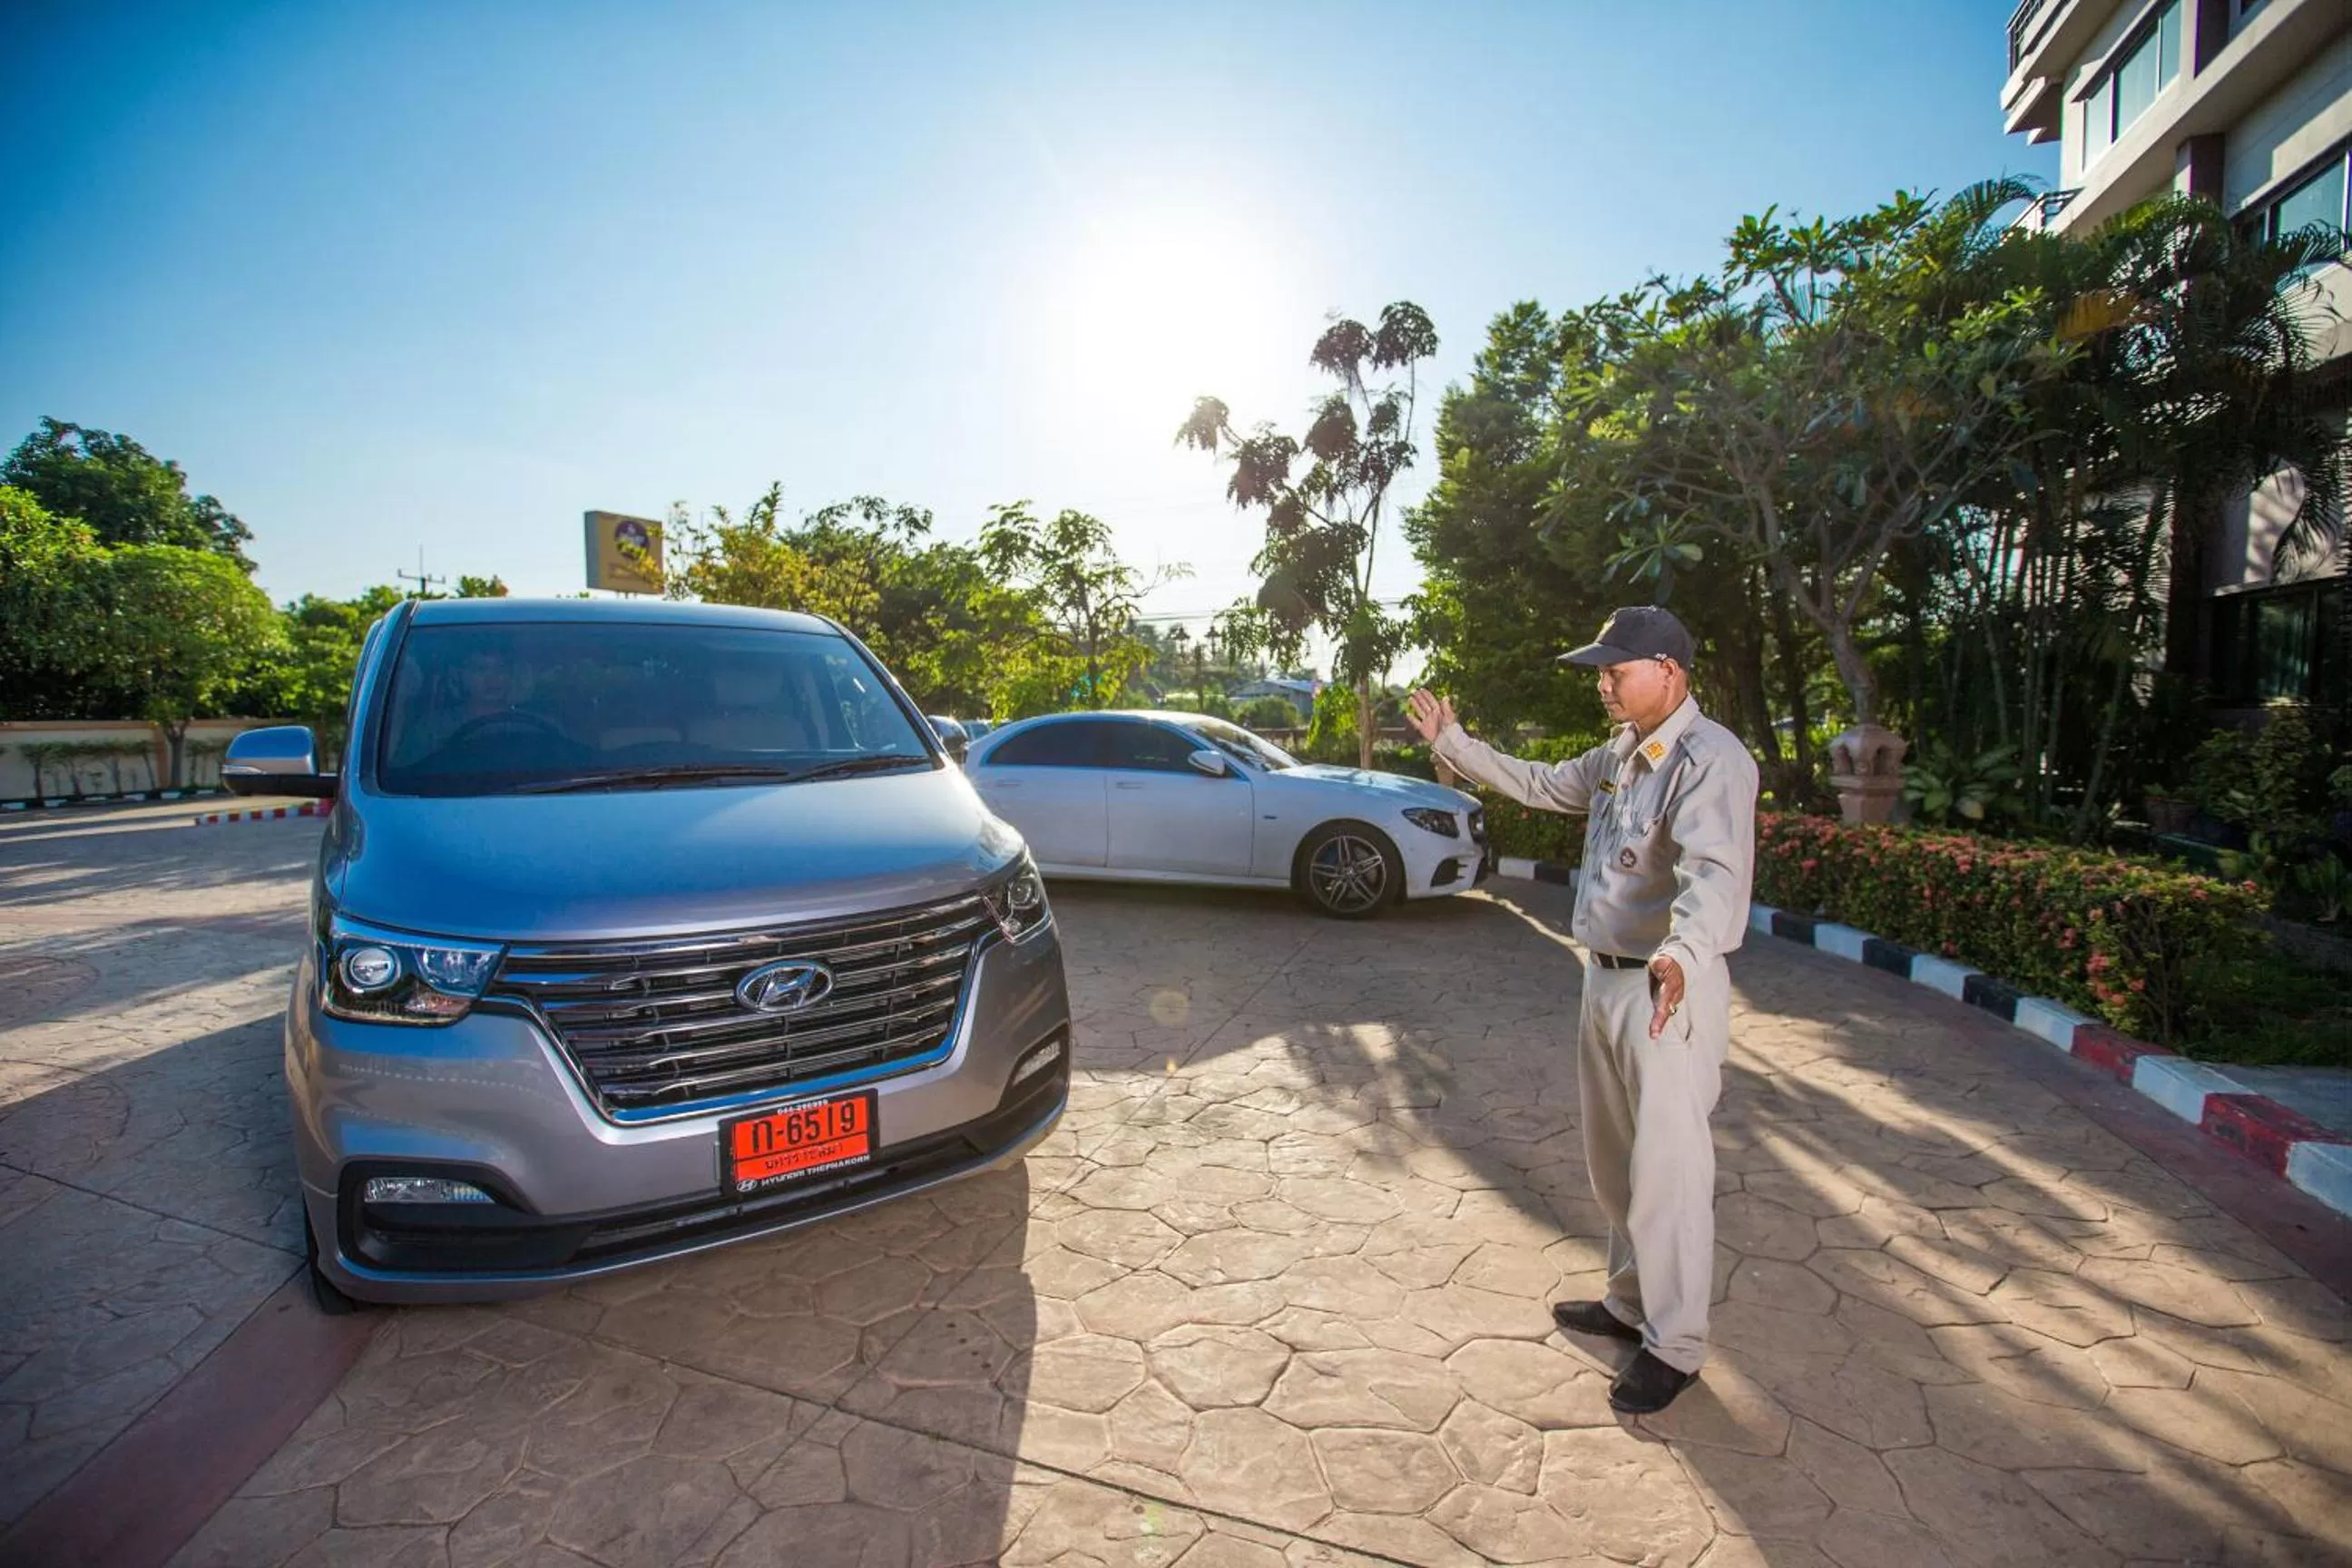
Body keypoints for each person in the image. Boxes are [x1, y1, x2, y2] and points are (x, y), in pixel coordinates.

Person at [1406, 605, 1758, 1416]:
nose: (1604, 684)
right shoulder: (1620, 753)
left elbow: (1715, 874)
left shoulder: (1712, 760)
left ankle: (1675, 1347)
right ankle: (1630, 1304)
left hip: (1665, 989)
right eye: (1601, 671)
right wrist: (1454, 745)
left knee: (1668, 1175)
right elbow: (1538, 783)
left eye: (1617, 670)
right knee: (1615, 1163)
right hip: (1605, 981)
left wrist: (1683, 951)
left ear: (1669, 669)